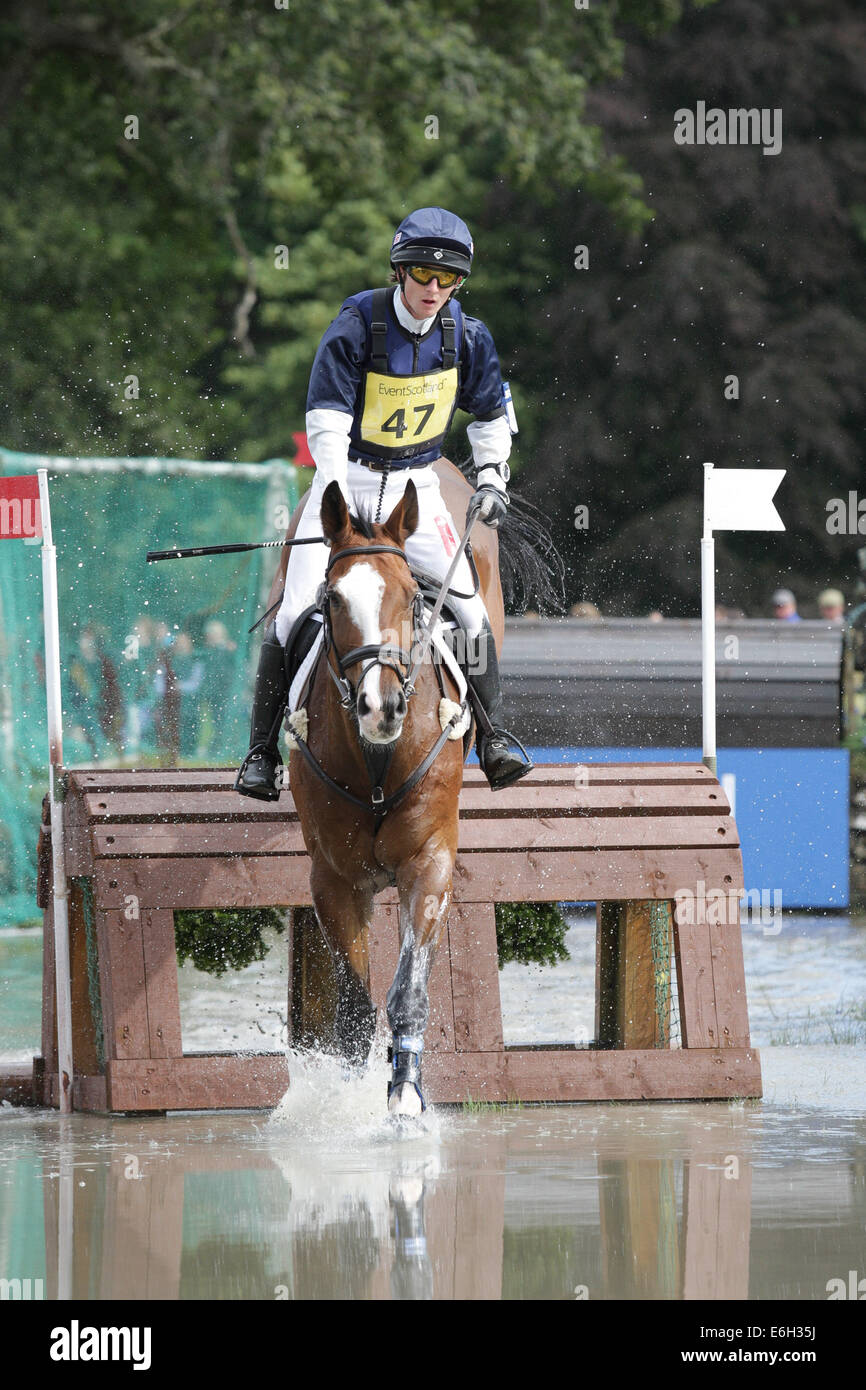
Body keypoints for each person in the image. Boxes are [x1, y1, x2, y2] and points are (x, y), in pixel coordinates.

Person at [235, 206, 533, 799]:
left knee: (471, 613)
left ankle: (496, 737)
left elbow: (493, 416)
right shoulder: (357, 325)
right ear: (400, 270)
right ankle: (262, 754)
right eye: (423, 274)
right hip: (344, 476)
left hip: (416, 484)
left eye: (448, 281)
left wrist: (494, 476)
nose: (434, 290)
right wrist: (336, 494)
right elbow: (324, 420)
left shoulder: (465, 336)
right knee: (294, 611)